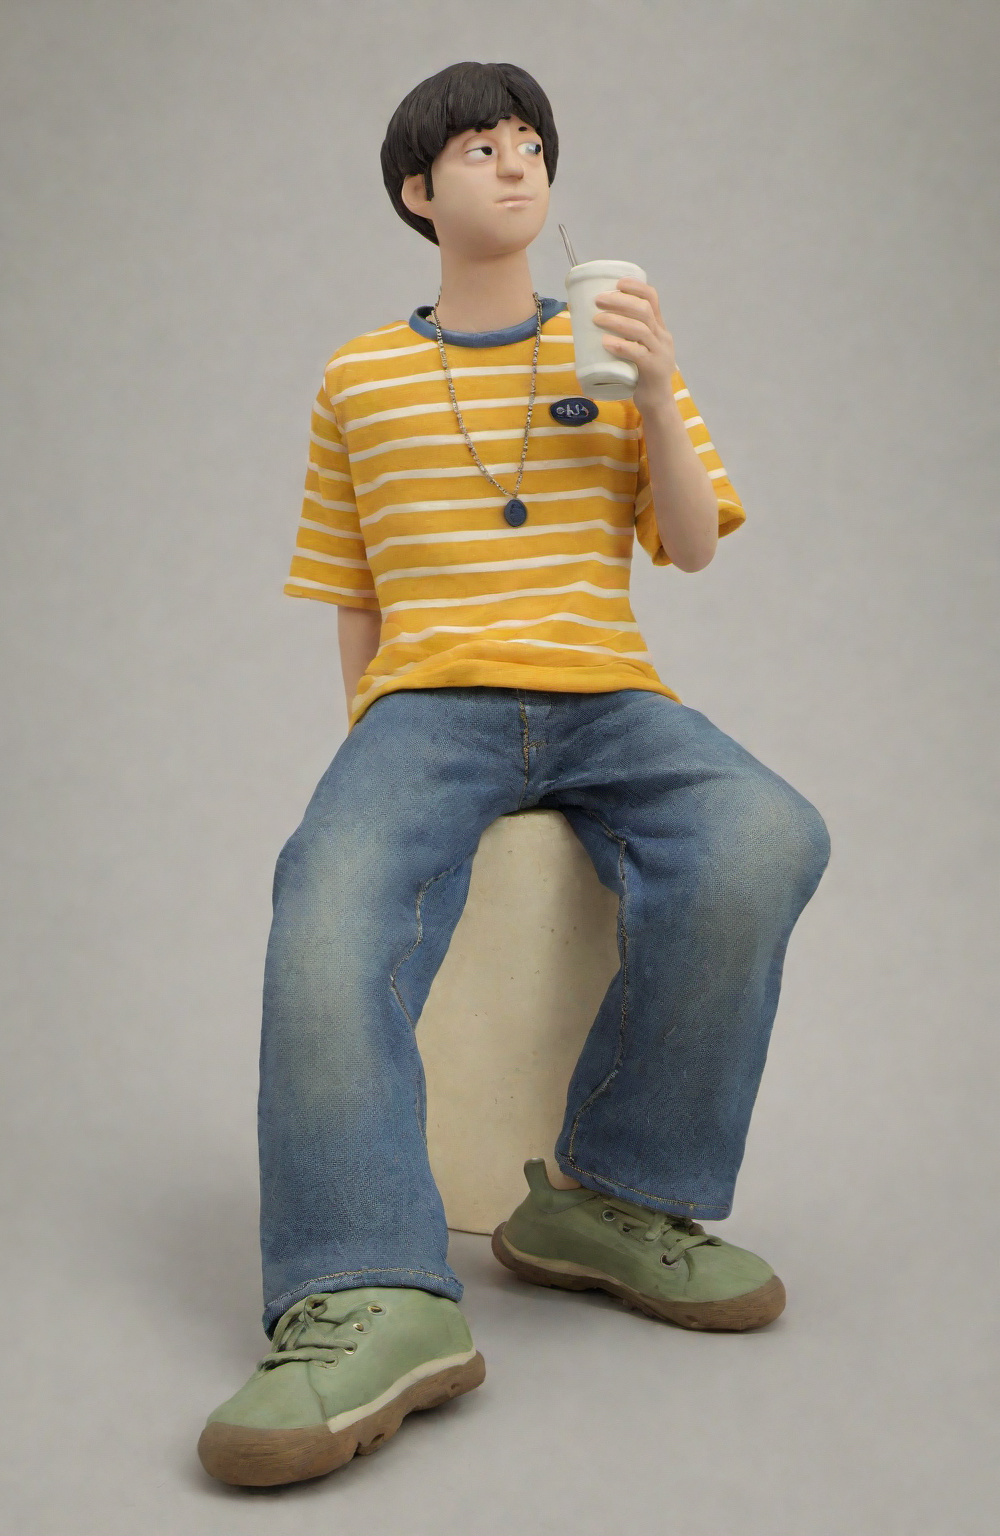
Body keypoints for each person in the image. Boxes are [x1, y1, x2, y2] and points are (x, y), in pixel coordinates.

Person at [197, 60, 831, 1488]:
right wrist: (367, 745)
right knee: (329, 888)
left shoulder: (612, 340)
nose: (517, 163)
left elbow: (693, 545)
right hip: (428, 706)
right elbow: (352, 586)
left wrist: (656, 386)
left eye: (530, 141)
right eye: (481, 147)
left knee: (765, 831)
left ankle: (608, 1195)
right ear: (417, 192)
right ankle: (373, 1287)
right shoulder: (360, 376)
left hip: (608, 695)